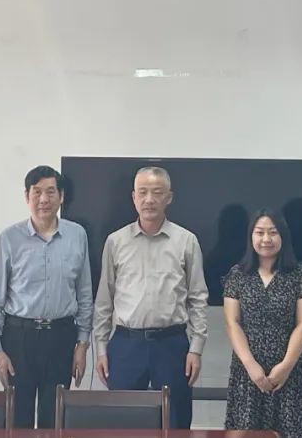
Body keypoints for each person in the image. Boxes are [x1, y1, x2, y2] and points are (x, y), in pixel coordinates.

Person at [93, 166, 209, 429]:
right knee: (122, 425)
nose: (149, 199)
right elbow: (104, 301)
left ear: (169, 197)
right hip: (126, 344)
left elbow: (198, 298)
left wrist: (196, 348)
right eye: (143, 192)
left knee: (176, 423)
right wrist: (101, 349)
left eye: (157, 192)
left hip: (172, 344)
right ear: (133, 197)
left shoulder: (186, 241)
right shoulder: (115, 242)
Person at [0, 165, 93, 427]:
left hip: (61, 337)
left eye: (50, 192)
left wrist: (82, 345)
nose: (44, 199)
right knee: (17, 417)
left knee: (54, 417)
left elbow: (84, 293)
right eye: (37, 192)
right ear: (27, 196)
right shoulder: (9, 238)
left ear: (61, 196)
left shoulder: (77, 235)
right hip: (18, 338)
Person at [223, 208, 302, 438]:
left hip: (290, 371)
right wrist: (251, 366)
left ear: (283, 236)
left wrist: (285, 367)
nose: (266, 239)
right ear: (251, 237)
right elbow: (232, 322)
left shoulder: (299, 275)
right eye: (260, 232)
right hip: (248, 371)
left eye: (273, 232)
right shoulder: (238, 274)